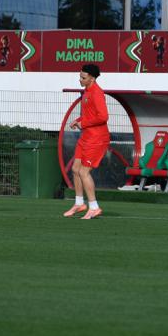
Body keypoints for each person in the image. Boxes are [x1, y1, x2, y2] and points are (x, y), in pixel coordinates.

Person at [65, 63, 109, 219]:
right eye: (80, 76)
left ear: (92, 78)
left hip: (96, 139)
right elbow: (91, 114)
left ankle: (94, 207)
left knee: (84, 172)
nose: (80, 79)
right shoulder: (87, 92)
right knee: (76, 169)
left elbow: (103, 117)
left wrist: (83, 123)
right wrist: (78, 120)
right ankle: (79, 204)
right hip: (86, 137)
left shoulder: (97, 93)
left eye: (83, 77)